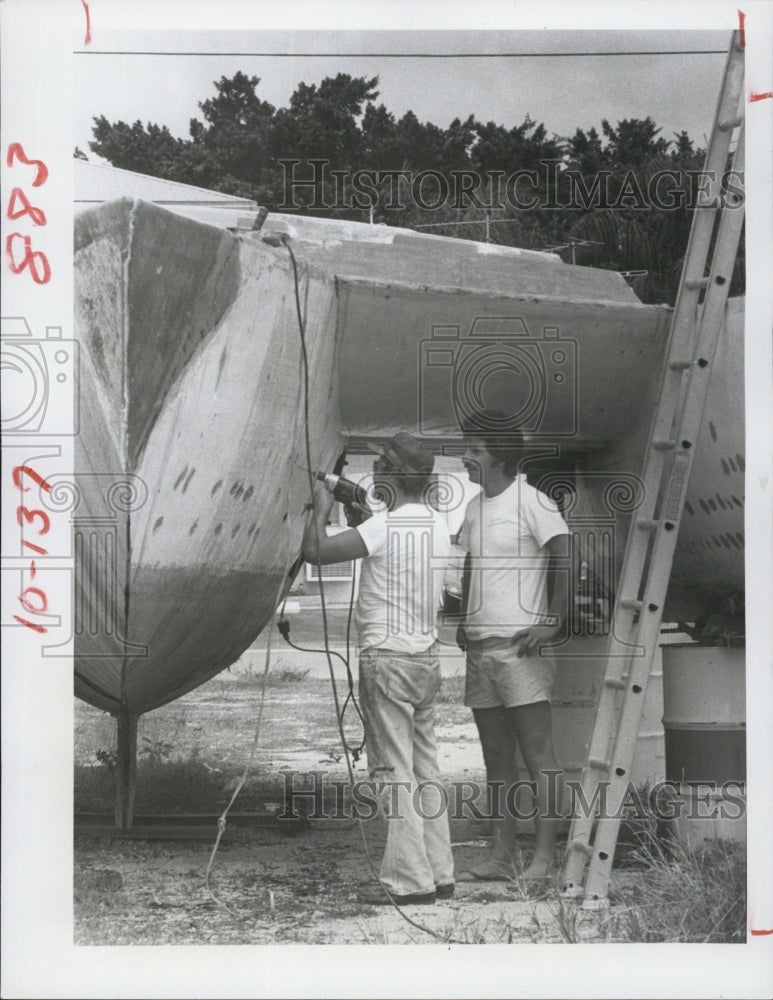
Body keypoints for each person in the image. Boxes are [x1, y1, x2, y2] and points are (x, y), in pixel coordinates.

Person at [302, 431, 455, 905]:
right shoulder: (437, 525)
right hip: (425, 658)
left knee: (394, 772)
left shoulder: (383, 528)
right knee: (425, 768)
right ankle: (440, 873)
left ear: (389, 475)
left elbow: (315, 552)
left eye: (379, 467)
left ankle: (408, 883)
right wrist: (363, 513)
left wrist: (321, 506)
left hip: (386, 658)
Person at [456, 409, 570, 882]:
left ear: (500, 455)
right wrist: (464, 619)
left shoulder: (533, 501)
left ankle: (544, 859)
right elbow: (471, 564)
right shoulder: (474, 508)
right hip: (480, 649)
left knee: (538, 756)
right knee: (495, 760)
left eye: (474, 450)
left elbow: (566, 556)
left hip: (521, 649)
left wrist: (553, 622)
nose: (465, 457)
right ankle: (501, 856)